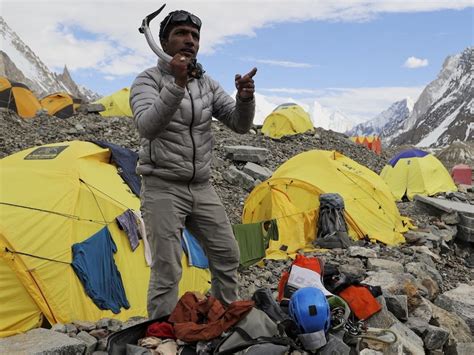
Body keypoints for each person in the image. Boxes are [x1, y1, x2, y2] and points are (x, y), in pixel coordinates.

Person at [130, 9, 257, 319]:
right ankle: (160, 334)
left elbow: (239, 125)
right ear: (163, 41)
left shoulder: (207, 84)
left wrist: (243, 99)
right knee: (167, 269)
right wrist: (176, 84)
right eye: (181, 34)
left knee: (227, 254)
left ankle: (224, 321)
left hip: (201, 187)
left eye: (195, 36)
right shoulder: (146, 81)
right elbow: (147, 126)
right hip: (162, 186)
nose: (190, 40)